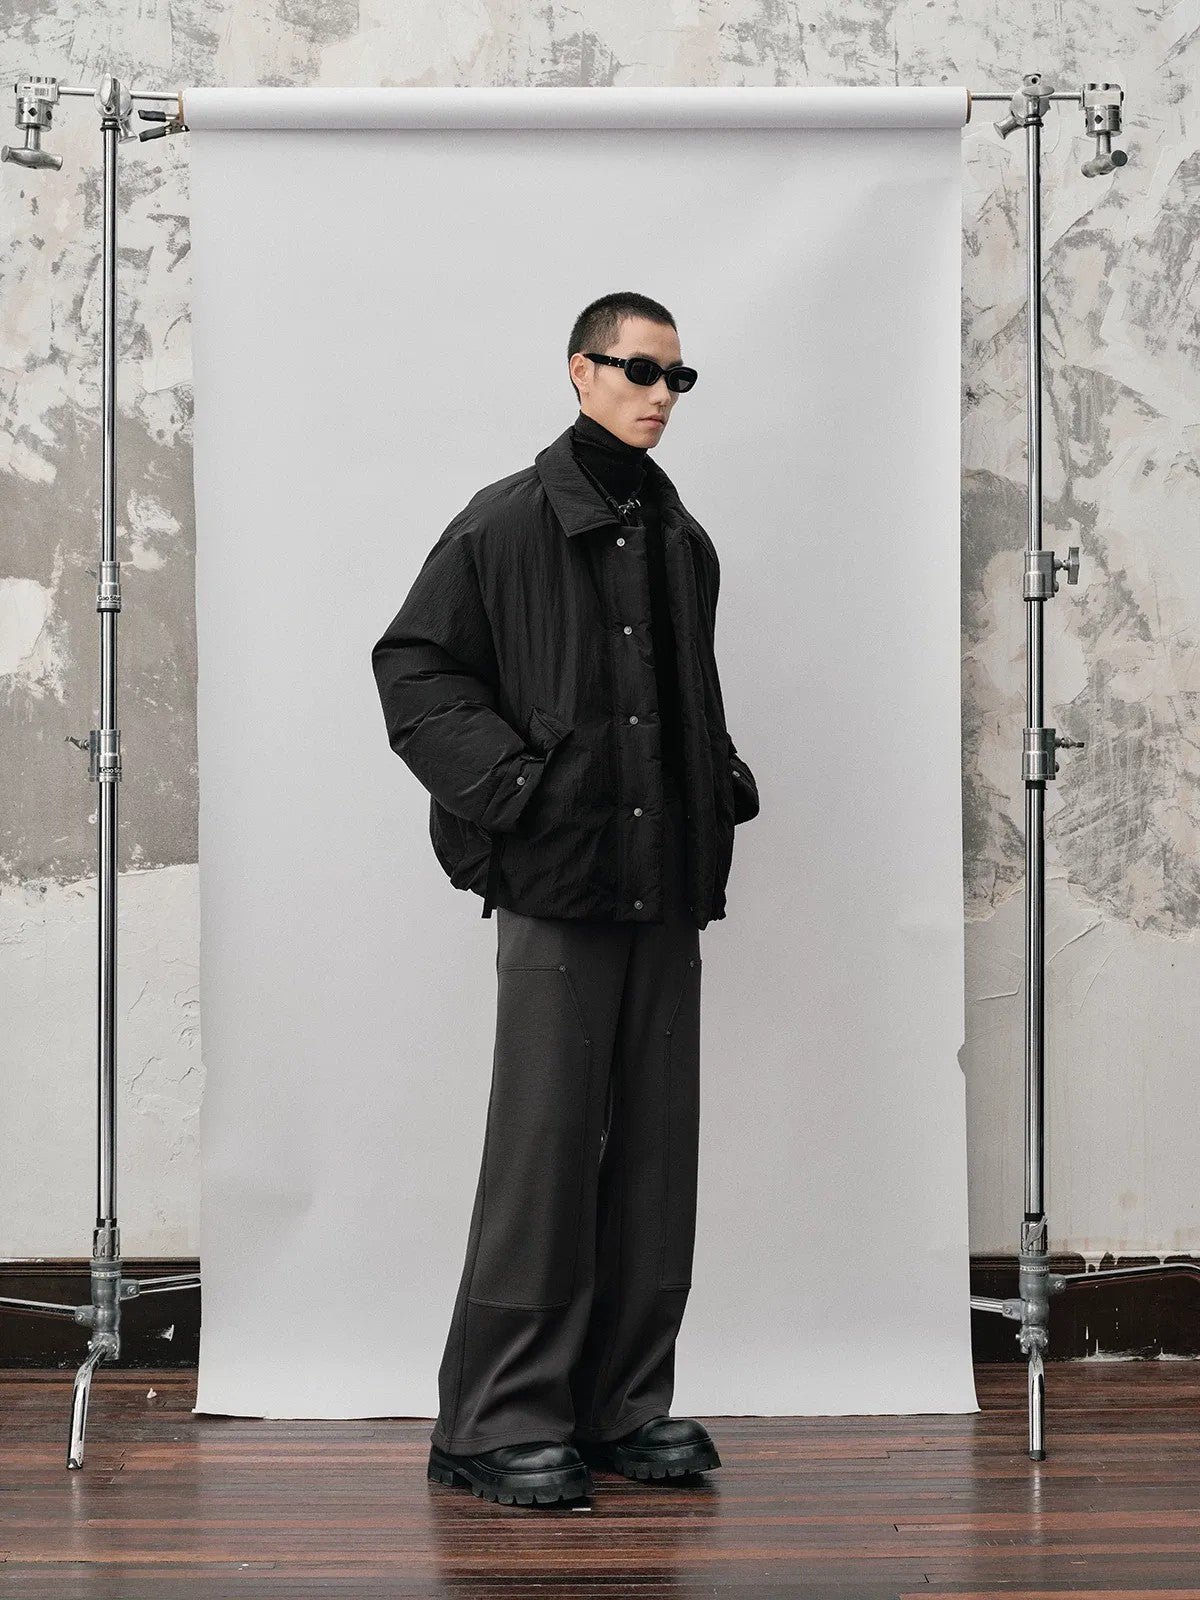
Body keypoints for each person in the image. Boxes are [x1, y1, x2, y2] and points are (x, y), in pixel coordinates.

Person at [371, 290, 759, 1508]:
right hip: (557, 880)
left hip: (666, 885)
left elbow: (680, 696)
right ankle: (493, 1420)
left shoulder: (680, 537)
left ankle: (620, 1403)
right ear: (580, 372)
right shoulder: (507, 521)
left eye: (677, 377)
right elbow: (414, 668)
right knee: (543, 1152)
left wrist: (719, 782)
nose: (660, 393)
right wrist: (519, 789)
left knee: (655, 1154)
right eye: (638, 369)